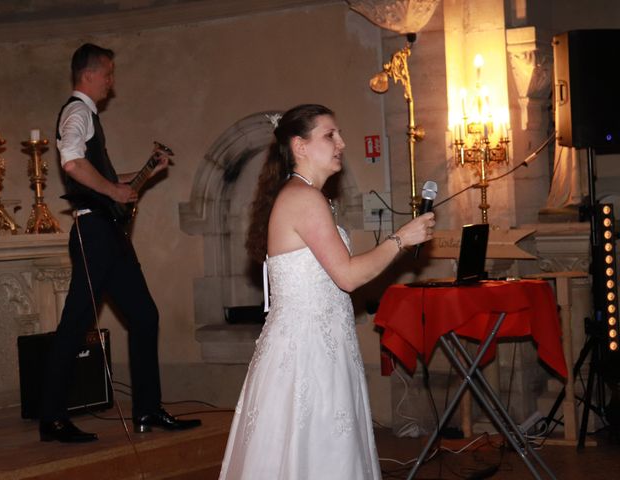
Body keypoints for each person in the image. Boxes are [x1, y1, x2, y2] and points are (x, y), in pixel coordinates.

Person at [219, 104, 435, 479]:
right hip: (308, 352)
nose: (342, 142)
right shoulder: (304, 199)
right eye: (329, 135)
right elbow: (347, 277)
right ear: (300, 146)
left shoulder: (305, 195)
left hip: (320, 344)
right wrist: (402, 238)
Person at [39, 43, 201, 443]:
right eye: (108, 74)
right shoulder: (77, 112)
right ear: (90, 75)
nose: (112, 83)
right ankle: (52, 418)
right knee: (76, 324)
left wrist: (146, 173)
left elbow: (107, 182)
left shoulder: (89, 116)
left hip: (108, 236)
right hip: (95, 236)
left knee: (145, 317)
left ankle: (147, 411)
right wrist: (113, 188)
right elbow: (73, 163)